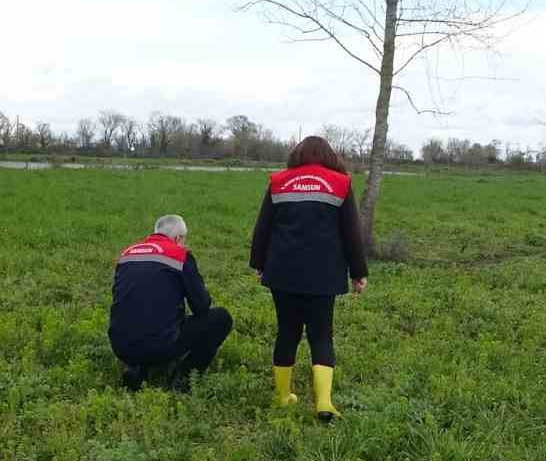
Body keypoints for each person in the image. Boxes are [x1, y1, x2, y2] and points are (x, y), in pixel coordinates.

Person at [249, 136, 369, 422]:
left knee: (287, 331)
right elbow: (352, 233)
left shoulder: (279, 182)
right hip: (324, 274)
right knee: (322, 336)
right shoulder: (340, 183)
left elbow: (262, 227)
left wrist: (259, 263)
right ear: (329, 156)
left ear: (298, 155)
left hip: (282, 272)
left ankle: (282, 397)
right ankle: (324, 403)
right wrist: (359, 271)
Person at [109, 214, 232, 391]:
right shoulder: (180, 255)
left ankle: (136, 368)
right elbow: (201, 306)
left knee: (140, 310)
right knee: (221, 318)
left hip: (121, 346)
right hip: (161, 345)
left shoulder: (127, 254)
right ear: (178, 238)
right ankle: (185, 378)